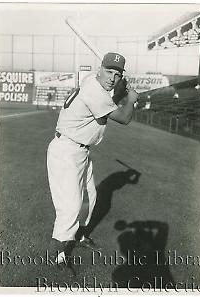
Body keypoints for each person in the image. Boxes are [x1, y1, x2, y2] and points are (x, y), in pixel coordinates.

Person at [46, 52, 138, 267]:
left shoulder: (91, 81)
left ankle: (78, 236)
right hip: (66, 151)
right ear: (99, 69)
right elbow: (124, 118)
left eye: (117, 74)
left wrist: (120, 91)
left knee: (90, 196)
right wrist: (131, 100)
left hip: (80, 151)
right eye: (108, 72)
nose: (111, 78)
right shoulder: (94, 92)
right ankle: (56, 254)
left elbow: (108, 100)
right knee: (70, 205)